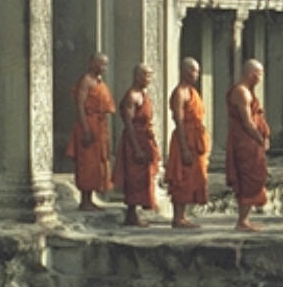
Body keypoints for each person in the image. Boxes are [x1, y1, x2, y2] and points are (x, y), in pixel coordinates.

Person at [65, 52, 114, 210]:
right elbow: (80, 105)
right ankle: (84, 200)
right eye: (100, 63)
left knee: (97, 164)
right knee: (86, 163)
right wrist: (86, 129)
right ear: (92, 63)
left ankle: (90, 199)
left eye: (105, 64)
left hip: (99, 127)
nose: (103, 67)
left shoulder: (99, 82)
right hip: (87, 124)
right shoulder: (86, 81)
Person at [225, 58, 270, 231]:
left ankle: (245, 218)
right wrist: (260, 138)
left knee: (256, 176)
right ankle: (242, 221)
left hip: (252, 140)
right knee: (247, 178)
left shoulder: (249, 91)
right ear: (251, 74)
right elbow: (247, 122)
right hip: (244, 140)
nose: (261, 78)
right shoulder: (241, 92)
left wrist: (264, 135)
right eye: (259, 74)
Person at [166, 57, 209, 229]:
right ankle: (177, 217)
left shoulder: (193, 92)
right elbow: (179, 119)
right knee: (181, 177)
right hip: (184, 138)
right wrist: (184, 147)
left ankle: (183, 216)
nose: (196, 74)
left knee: (194, 177)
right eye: (192, 70)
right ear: (183, 70)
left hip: (196, 138)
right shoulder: (180, 93)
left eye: (197, 71)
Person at [116, 63, 160, 227]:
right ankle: (131, 214)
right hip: (134, 140)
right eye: (146, 76)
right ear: (137, 76)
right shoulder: (132, 96)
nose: (148, 79)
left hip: (145, 138)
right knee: (133, 178)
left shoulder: (143, 95)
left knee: (144, 178)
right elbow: (128, 123)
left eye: (150, 76)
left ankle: (134, 215)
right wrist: (136, 148)